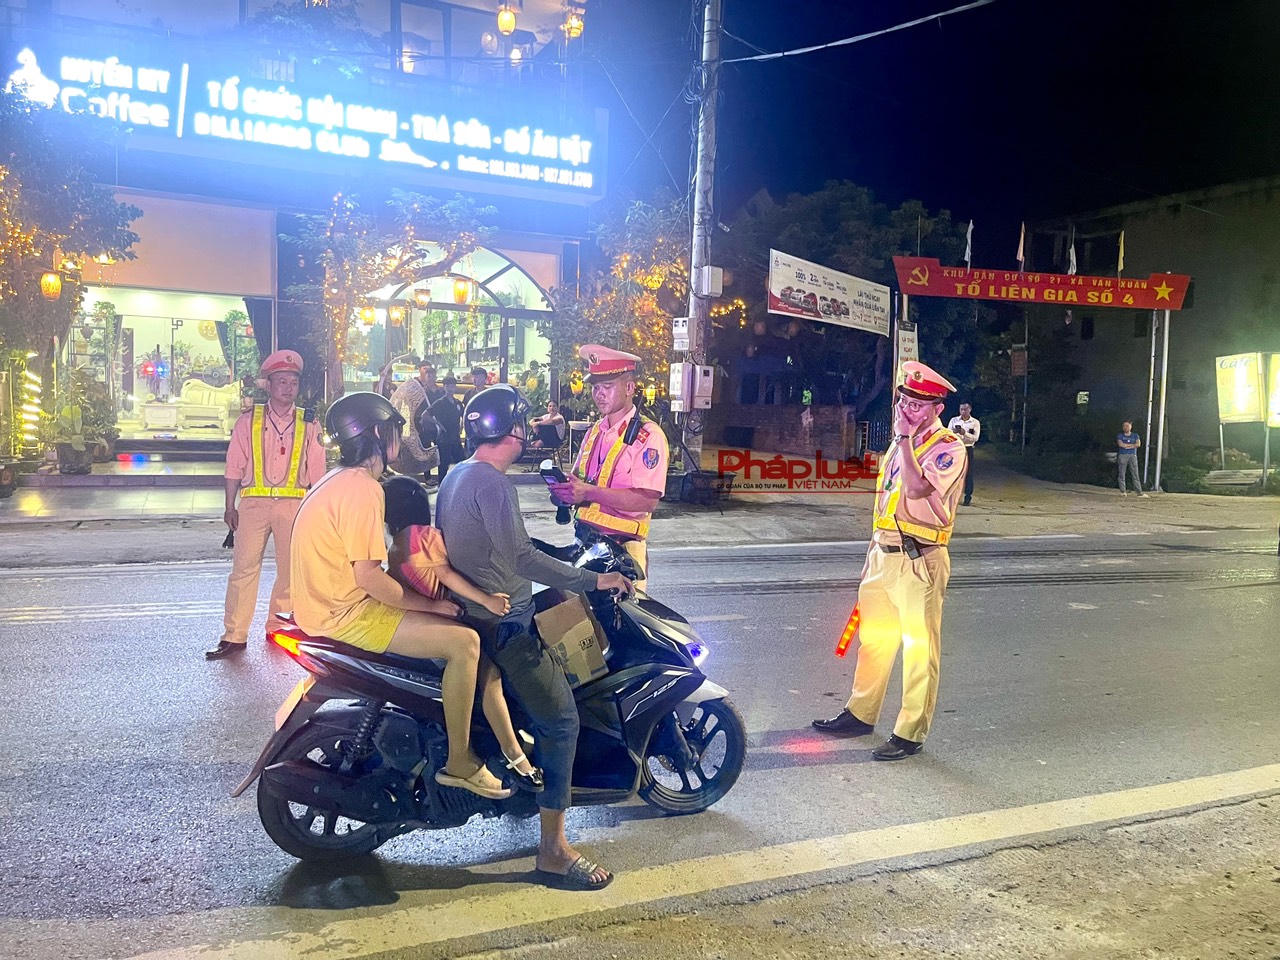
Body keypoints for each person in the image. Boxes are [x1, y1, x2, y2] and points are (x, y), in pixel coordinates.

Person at [436, 384, 633, 891]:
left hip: (473, 615)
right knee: (562, 720)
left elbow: (504, 545)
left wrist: (561, 556)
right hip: (506, 625)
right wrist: (594, 580)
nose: (530, 431)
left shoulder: (458, 474)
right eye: (524, 422)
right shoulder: (493, 484)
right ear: (512, 428)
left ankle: (524, 782)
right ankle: (554, 851)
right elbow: (520, 558)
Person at [289, 392, 511, 799]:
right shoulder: (363, 489)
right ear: (378, 433)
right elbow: (370, 579)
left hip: (322, 606)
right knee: (464, 643)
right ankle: (460, 762)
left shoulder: (334, 479)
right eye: (396, 428)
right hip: (345, 614)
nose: (400, 437)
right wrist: (432, 604)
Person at [812, 360, 967, 761]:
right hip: (884, 556)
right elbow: (885, 505)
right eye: (903, 401)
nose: (906, 410)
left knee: (919, 649)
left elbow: (916, 490)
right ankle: (861, 713)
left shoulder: (948, 447)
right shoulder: (899, 446)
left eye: (917, 404)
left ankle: (910, 732)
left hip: (920, 561)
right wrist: (873, 553)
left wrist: (905, 439)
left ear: (937, 409)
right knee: (875, 640)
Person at [383, 475, 543, 793]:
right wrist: (487, 599)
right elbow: (446, 575)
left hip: (415, 627)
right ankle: (514, 755)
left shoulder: (397, 544)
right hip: (438, 632)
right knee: (490, 675)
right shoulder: (423, 536)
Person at [206, 350, 326, 660]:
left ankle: (278, 627)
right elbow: (234, 465)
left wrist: (318, 512)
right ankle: (234, 635)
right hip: (253, 504)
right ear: (269, 385)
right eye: (281, 381)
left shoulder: (309, 423)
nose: (288, 387)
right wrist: (229, 506)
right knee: (243, 570)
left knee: (290, 571)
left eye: (293, 382)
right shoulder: (249, 421)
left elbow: (317, 472)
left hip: (294, 506)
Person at [549, 345, 670, 592]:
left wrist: (587, 492)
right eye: (595, 388)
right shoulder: (595, 431)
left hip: (623, 554)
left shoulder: (648, 436)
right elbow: (581, 480)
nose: (599, 394)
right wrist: (566, 491)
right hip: (585, 545)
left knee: (621, 617)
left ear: (629, 388)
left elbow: (647, 501)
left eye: (607, 387)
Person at [389, 359, 441, 484]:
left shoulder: (439, 391)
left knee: (439, 450)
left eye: (431, 374)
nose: (429, 377)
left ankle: (441, 476)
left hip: (437, 426)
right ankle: (427, 477)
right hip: (421, 426)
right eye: (426, 371)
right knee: (425, 449)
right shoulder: (417, 389)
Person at [431, 374, 466, 481]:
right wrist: (438, 425)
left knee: (461, 462)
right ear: (444, 387)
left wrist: (461, 426)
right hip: (444, 439)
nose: (450, 389)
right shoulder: (440, 403)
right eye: (448, 386)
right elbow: (425, 415)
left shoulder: (458, 403)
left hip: (455, 438)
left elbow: (463, 416)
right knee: (443, 464)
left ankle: (460, 483)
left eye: (452, 386)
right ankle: (441, 485)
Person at [947, 402, 981, 506]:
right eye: (961, 409)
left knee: (968, 473)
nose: (963, 412)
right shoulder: (954, 420)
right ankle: (951, 495)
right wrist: (954, 432)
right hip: (955, 448)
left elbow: (975, 438)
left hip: (968, 448)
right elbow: (947, 434)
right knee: (953, 472)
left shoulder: (975, 422)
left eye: (965, 409)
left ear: (970, 409)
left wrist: (964, 433)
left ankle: (968, 496)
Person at [1117, 420, 1148, 496]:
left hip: (1132, 455)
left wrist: (1127, 446)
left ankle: (1139, 492)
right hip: (1123, 455)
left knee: (1135, 473)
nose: (1125, 427)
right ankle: (1123, 491)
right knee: (1121, 473)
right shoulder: (1120, 435)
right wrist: (1132, 445)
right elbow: (1121, 444)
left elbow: (1138, 444)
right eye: (1124, 426)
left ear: (1131, 426)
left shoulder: (1135, 435)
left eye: (1127, 426)